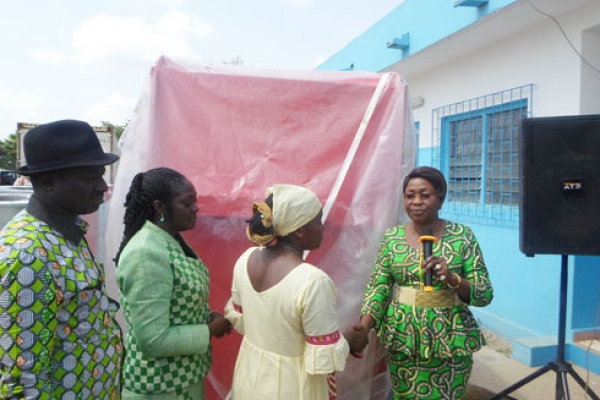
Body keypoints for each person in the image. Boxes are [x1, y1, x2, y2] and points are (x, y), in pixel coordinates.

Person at [0, 119, 123, 399]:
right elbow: (22, 380)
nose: (102, 187)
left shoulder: (67, 233)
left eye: (101, 175)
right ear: (48, 182)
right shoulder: (29, 255)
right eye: (89, 177)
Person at [224, 184, 370, 400]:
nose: (323, 227)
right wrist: (351, 340)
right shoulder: (312, 281)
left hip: (249, 377)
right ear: (299, 230)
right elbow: (324, 354)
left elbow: (245, 318)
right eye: (318, 221)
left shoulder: (246, 258)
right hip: (291, 387)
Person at [359, 166, 494, 400]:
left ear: (440, 198)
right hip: (403, 338)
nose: (417, 202)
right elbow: (378, 288)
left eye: (425, 195)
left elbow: (483, 294)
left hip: (450, 338)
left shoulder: (462, 237)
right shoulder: (392, 239)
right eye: (410, 196)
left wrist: (453, 279)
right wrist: (364, 327)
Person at [114, 167, 231, 400]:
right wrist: (209, 331)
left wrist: (206, 315)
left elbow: (173, 301)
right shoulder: (146, 253)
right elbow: (154, 340)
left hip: (180, 380)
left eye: (195, 201)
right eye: (187, 203)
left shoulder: (169, 240)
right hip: (159, 387)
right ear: (159, 207)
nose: (195, 208)